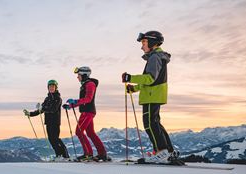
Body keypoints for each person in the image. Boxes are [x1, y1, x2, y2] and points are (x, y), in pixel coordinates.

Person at [122, 31, 176, 164]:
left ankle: (161, 152)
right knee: (155, 123)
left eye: (144, 43)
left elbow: (150, 78)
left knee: (150, 125)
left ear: (152, 42)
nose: (142, 46)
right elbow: (151, 80)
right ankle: (167, 151)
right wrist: (134, 88)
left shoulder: (155, 57)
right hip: (154, 94)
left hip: (152, 96)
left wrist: (131, 78)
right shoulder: (157, 56)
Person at [63, 66, 110, 162]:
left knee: (79, 132)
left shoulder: (90, 84)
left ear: (85, 75)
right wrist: (70, 106)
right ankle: (102, 154)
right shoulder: (85, 85)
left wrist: (75, 101)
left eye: (79, 75)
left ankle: (88, 154)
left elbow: (88, 99)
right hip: (86, 111)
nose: (77, 77)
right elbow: (83, 101)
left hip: (88, 112)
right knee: (90, 133)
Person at [24, 80, 69, 161]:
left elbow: (53, 109)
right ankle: (59, 155)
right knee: (51, 139)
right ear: (48, 88)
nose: (51, 88)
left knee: (55, 138)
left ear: (56, 88)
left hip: (55, 121)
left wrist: (43, 108)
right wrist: (30, 114)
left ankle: (64, 155)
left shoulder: (58, 98)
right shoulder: (47, 99)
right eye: (50, 86)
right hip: (48, 122)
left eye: (53, 86)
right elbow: (41, 110)